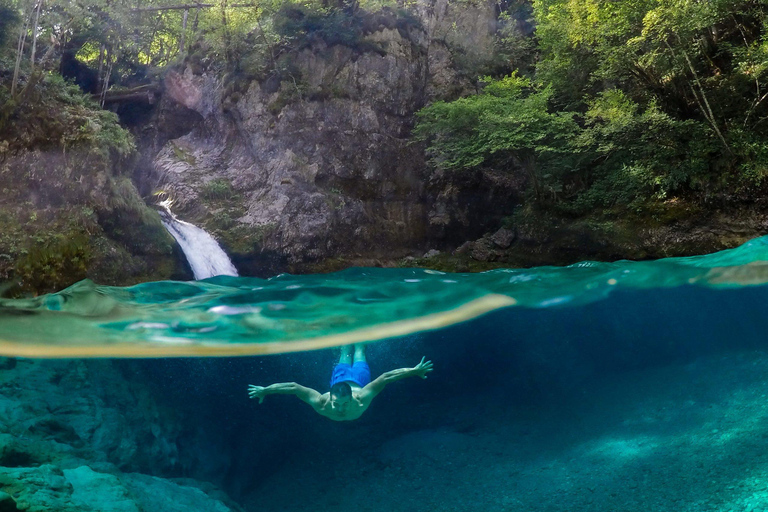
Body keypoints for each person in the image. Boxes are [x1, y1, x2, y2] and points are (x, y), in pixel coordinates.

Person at [247, 343, 433, 421]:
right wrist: (265, 390)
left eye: (345, 404)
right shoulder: (321, 402)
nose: (341, 409)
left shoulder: (362, 397)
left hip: (359, 379)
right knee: (345, 351)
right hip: (340, 377)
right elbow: (294, 387)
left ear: (352, 398)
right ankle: (346, 332)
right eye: (337, 404)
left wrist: (413, 371)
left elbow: (386, 377)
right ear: (330, 397)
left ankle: (359, 334)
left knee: (359, 350)